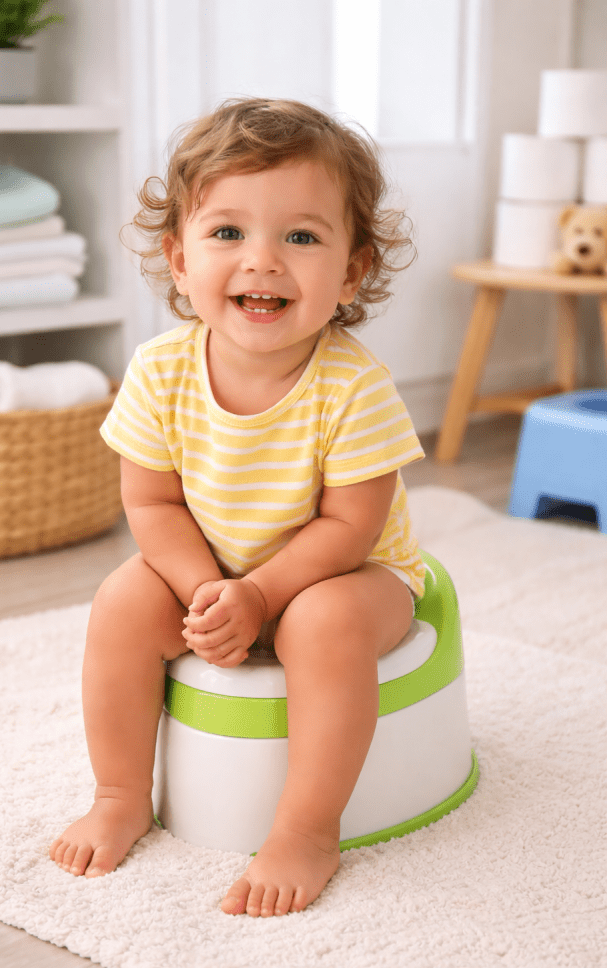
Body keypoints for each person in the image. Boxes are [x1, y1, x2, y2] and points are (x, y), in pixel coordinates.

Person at [49, 97, 426, 917]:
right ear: (178, 258)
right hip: (214, 570)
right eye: (227, 233)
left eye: (300, 236)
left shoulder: (352, 386)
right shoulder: (158, 371)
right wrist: (202, 588)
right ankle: (119, 794)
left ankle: (305, 828)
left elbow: (350, 526)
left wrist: (261, 595)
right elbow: (150, 503)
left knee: (318, 623)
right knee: (119, 599)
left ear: (352, 270)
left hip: (350, 575)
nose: (262, 261)